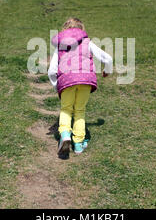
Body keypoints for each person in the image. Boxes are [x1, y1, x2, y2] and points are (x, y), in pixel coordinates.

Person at [48, 18, 113, 156]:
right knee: (80, 110)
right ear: (81, 29)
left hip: (66, 80)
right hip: (85, 80)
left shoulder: (60, 46)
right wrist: (107, 70)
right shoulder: (87, 42)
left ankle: (65, 134)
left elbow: (51, 70)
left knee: (66, 109)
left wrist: (57, 85)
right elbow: (107, 58)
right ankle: (78, 144)